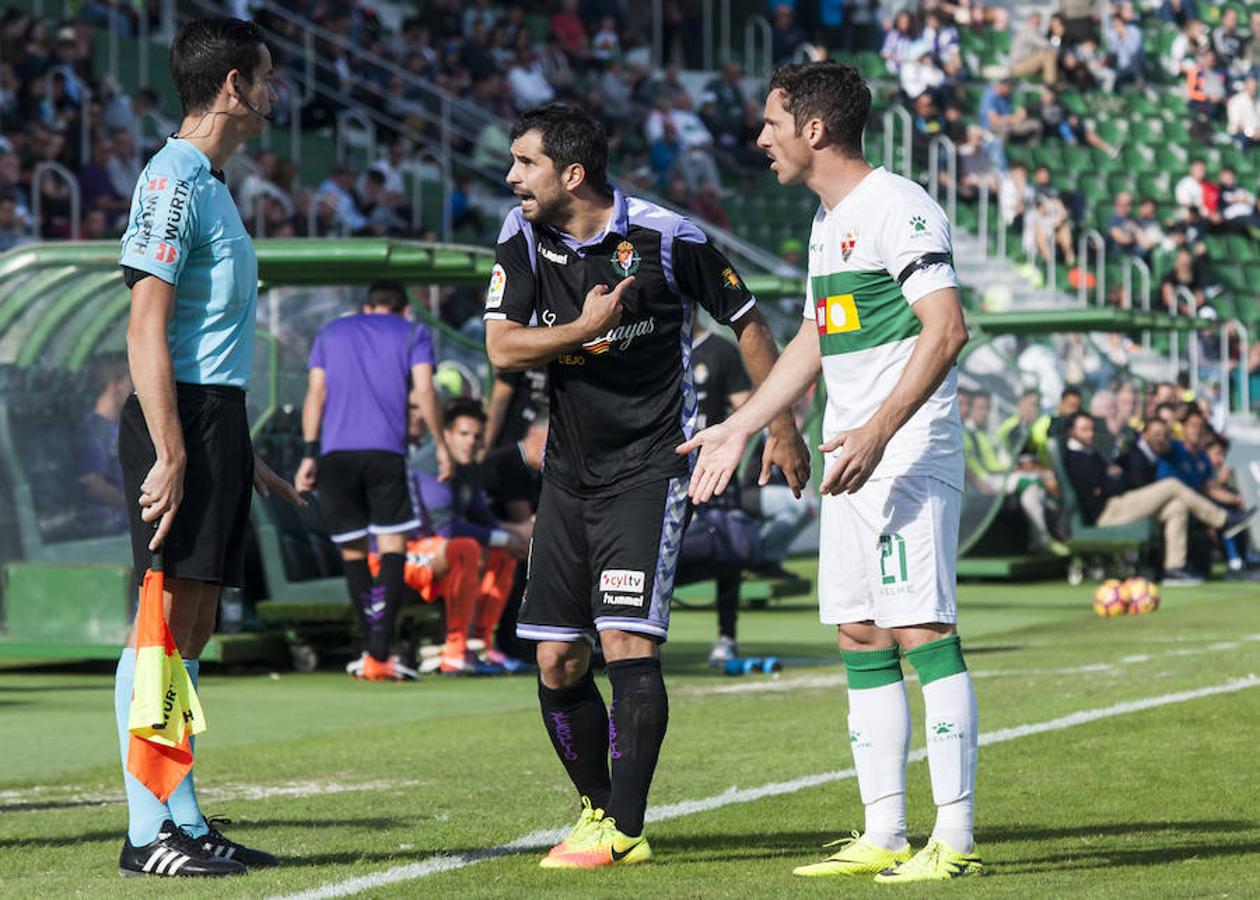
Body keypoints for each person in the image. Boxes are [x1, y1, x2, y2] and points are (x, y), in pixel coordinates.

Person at [483, 102, 810, 869]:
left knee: (627, 640)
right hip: (566, 474)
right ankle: (597, 811)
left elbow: (749, 322)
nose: (511, 177)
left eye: (524, 163)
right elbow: (502, 348)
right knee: (557, 658)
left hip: (653, 469)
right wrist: (581, 330)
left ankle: (625, 829)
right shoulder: (522, 233)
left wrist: (783, 428)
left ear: (572, 172)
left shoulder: (670, 236)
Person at [680, 61, 980, 882]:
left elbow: (946, 328)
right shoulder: (826, 220)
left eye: (770, 123)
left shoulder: (899, 206)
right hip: (853, 456)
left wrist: (881, 430)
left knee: (921, 630)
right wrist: (744, 424)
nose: (759, 139)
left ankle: (954, 843)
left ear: (814, 130)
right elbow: (815, 337)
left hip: (906, 456)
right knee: (858, 632)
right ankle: (884, 832)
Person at [114, 16, 302, 877]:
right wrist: (174, 448)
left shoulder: (215, 180)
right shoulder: (174, 178)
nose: (274, 90)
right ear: (233, 84)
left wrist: (239, 451)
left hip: (210, 417)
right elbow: (144, 327)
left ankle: (178, 817)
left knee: (188, 630)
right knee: (159, 626)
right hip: (179, 420)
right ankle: (146, 830)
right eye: (265, 75)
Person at [294, 280, 451, 681]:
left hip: (333, 455)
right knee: (393, 544)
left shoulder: (330, 331)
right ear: (402, 309)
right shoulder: (413, 332)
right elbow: (425, 392)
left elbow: (316, 394)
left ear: (367, 308)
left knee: (353, 552)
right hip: (385, 453)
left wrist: (309, 455)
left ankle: (369, 652)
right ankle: (382, 651)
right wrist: (442, 445)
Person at [1061, 412, 1254, 586]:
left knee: (1177, 507)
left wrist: (1111, 479)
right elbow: (1106, 484)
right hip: (1107, 512)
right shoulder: (1074, 456)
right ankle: (1224, 520)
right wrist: (1110, 479)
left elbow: (1112, 480)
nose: (1091, 434)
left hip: (1118, 504)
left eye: (1092, 429)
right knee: (1171, 485)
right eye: (1084, 429)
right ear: (1071, 432)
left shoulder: (1090, 453)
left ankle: (1173, 569)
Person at [413, 398, 531, 673]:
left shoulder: (468, 468)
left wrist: (510, 539)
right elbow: (445, 528)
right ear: (447, 435)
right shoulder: (428, 463)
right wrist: (504, 537)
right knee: (465, 548)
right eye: (464, 434)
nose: (471, 442)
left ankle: (481, 644)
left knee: (503, 552)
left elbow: (483, 517)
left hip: (440, 552)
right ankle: (455, 650)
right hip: (409, 552)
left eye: (477, 436)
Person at [79, 351, 132, 533]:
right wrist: (133, 505)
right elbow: (94, 485)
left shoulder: (117, 426)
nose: (134, 387)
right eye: (130, 379)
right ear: (115, 384)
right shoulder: (95, 428)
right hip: (113, 522)